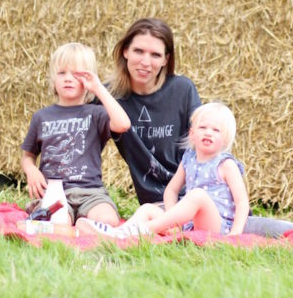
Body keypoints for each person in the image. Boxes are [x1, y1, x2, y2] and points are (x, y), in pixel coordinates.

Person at [102, 18, 293, 242]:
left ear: (166, 59)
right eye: (138, 51)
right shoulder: (110, 98)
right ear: (125, 50)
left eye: (155, 54)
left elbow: (208, 145)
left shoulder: (181, 89)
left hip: (206, 199)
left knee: (259, 227)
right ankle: (121, 235)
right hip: (166, 205)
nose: (145, 61)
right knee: (145, 212)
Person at [77, 102, 249, 238]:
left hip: (216, 226)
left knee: (197, 195)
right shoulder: (189, 159)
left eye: (216, 130)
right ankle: (119, 234)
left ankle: (142, 231)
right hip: (190, 225)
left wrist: (236, 232)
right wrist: (174, 217)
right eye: (203, 128)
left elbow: (241, 201)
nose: (208, 133)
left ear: (225, 139)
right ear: (191, 133)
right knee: (147, 209)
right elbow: (171, 190)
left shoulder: (226, 164)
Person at [20, 42, 131, 226]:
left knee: (109, 220)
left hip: (91, 193)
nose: (68, 78)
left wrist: (98, 88)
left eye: (77, 74)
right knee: (57, 222)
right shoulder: (42, 117)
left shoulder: (96, 114)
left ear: (89, 79)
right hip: (55, 192)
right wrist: (31, 170)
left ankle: (83, 224)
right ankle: (73, 223)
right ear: (53, 79)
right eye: (61, 73)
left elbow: (123, 124)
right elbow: (27, 156)